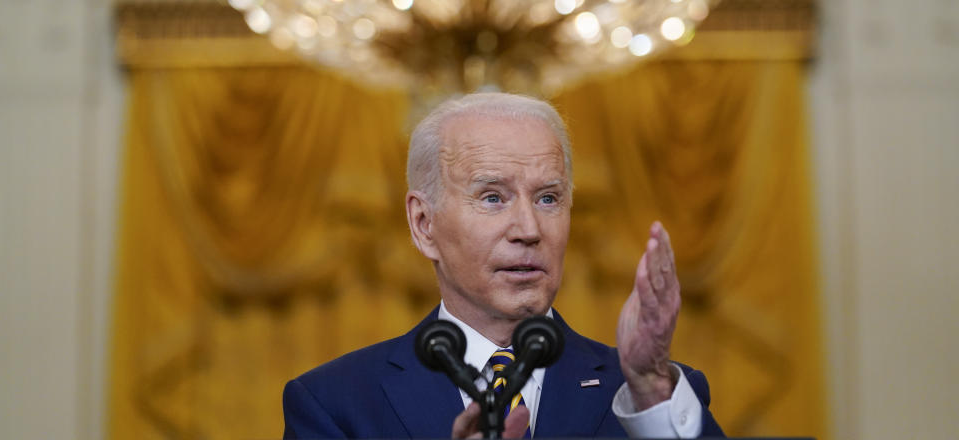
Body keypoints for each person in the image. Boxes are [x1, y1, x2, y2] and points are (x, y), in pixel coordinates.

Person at [283, 93, 723, 438]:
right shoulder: (335, 404)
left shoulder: (652, 394)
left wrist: (649, 388)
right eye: (493, 197)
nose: (529, 229)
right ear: (424, 224)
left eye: (548, 198)